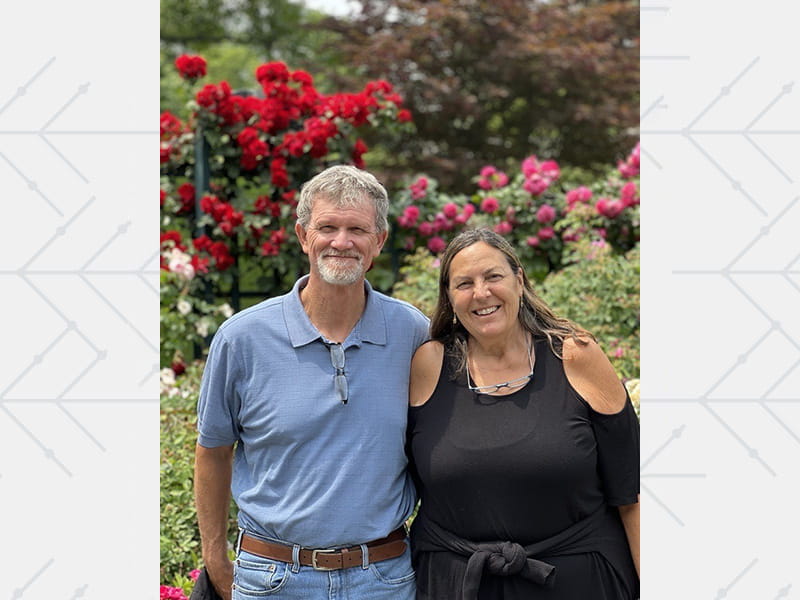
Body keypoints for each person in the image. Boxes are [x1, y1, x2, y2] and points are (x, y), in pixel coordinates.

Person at [194, 165, 430, 600]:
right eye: (328, 227)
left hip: (384, 579)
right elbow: (213, 451)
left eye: (357, 228)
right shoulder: (242, 338)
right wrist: (216, 559)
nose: (342, 242)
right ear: (303, 236)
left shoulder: (413, 333)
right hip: (272, 579)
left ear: (379, 241)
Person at [407, 228, 639, 599]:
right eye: (464, 283)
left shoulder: (575, 356)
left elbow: (633, 494)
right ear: (449, 297)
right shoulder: (427, 365)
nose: (481, 293)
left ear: (519, 280)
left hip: (579, 584)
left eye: (493, 276)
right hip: (456, 584)